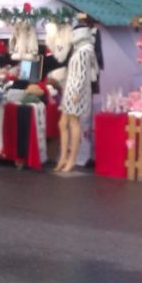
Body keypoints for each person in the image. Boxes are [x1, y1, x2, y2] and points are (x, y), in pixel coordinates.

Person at [55, 26, 98, 173]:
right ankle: (63, 157)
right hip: (69, 88)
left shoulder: (84, 51)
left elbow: (82, 73)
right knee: (62, 123)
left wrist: (76, 91)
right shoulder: (80, 49)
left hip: (75, 91)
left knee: (74, 122)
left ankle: (72, 159)